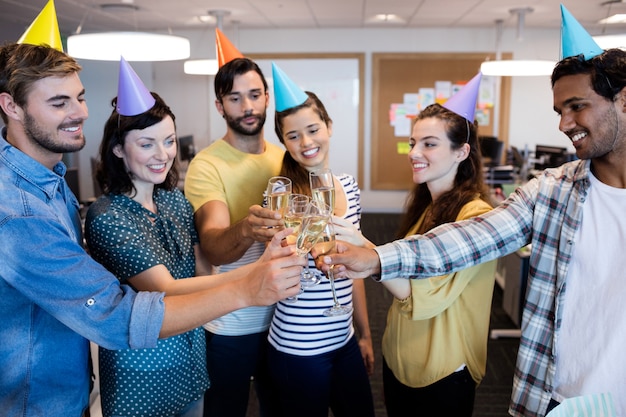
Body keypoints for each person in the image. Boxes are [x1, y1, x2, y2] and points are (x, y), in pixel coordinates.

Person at [313, 47, 626, 417]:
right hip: (556, 397)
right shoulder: (552, 191)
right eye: (560, 111)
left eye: (576, 106)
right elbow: (470, 238)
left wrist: (372, 253)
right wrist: (377, 257)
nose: (563, 124)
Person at [0, 42, 303, 417]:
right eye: (59, 103)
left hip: (163, 361)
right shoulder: (31, 212)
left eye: (80, 97)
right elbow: (121, 312)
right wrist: (248, 284)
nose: (81, 112)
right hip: (74, 388)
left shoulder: (56, 183)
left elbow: (197, 268)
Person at [84, 66, 210, 416]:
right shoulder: (108, 215)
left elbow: (200, 268)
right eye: (146, 143)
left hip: (190, 354)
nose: (163, 154)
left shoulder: (175, 200)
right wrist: (253, 280)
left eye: (169, 141)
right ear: (119, 150)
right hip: (139, 367)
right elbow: (167, 289)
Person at [379, 101, 496, 417]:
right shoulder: (426, 206)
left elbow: (422, 293)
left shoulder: (477, 217)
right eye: (413, 142)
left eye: (430, 144)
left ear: (461, 152)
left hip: (443, 368)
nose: (414, 152)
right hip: (400, 356)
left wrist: (368, 255)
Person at [184, 57, 285, 417]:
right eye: (235, 98)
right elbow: (213, 247)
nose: (247, 106)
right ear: (219, 106)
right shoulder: (207, 164)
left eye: (254, 95)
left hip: (285, 318)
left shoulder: (284, 158)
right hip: (232, 320)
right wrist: (246, 227)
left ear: (267, 97)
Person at [268, 81, 375, 417]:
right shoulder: (282, 200)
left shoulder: (349, 186)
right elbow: (278, 272)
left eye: (313, 129)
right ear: (284, 142)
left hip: (343, 340)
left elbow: (354, 268)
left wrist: (365, 333)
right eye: (293, 135)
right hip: (299, 346)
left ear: (329, 127)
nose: (306, 142)